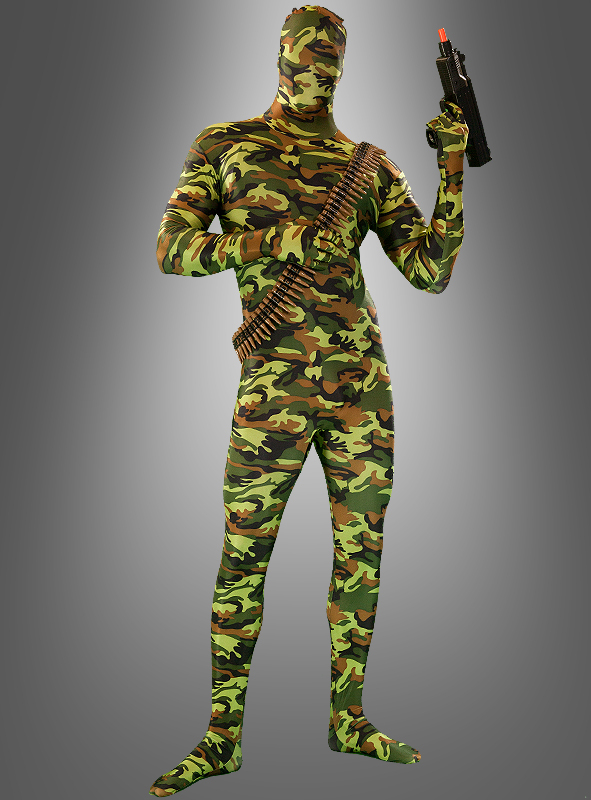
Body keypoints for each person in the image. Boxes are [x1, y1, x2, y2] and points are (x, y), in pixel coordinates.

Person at [149, 4, 468, 796]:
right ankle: (221, 738)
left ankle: (348, 720)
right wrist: (271, 241)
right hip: (271, 391)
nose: (314, 73)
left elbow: (429, 272)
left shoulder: (367, 164)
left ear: (341, 68)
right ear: (280, 56)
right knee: (243, 558)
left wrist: (452, 170)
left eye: (328, 62)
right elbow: (171, 250)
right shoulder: (224, 145)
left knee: (360, 558)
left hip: (362, 391)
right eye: (303, 58)